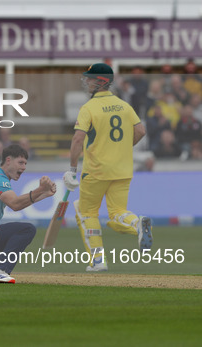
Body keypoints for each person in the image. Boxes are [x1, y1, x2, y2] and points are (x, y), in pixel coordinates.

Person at [63, 63, 152, 273]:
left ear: (101, 82)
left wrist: (72, 170)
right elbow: (140, 130)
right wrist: (121, 148)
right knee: (118, 213)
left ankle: (98, 260)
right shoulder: (123, 105)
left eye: (90, 79)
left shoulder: (89, 108)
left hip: (96, 171)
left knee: (86, 212)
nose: (86, 82)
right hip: (122, 169)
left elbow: (77, 139)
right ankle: (137, 224)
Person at [0, 144, 56, 283]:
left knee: (13, 237)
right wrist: (40, 190)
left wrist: (44, 194)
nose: (24, 167)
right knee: (27, 230)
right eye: (20, 162)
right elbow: (15, 204)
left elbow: (18, 204)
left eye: (25, 163)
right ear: (8, 160)